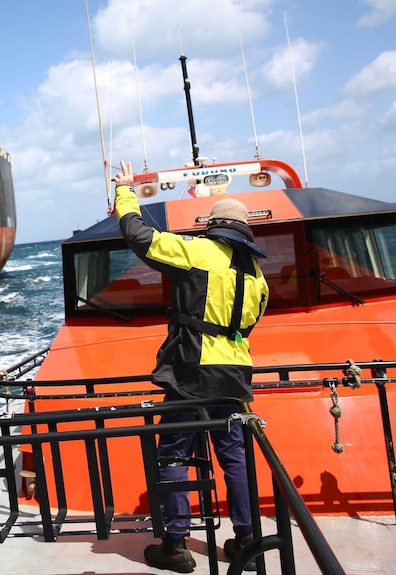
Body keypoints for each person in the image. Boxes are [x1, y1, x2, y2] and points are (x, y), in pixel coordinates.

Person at [113, 160, 269, 573]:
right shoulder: (257, 276)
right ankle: (247, 539)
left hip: (192, 371)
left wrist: (125, 189)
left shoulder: (199, 252)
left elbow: (140, 237)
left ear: (213, 227)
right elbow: (249, 325)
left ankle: (177, 545)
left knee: (174, 452)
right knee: (233, 455)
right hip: (237, 375)